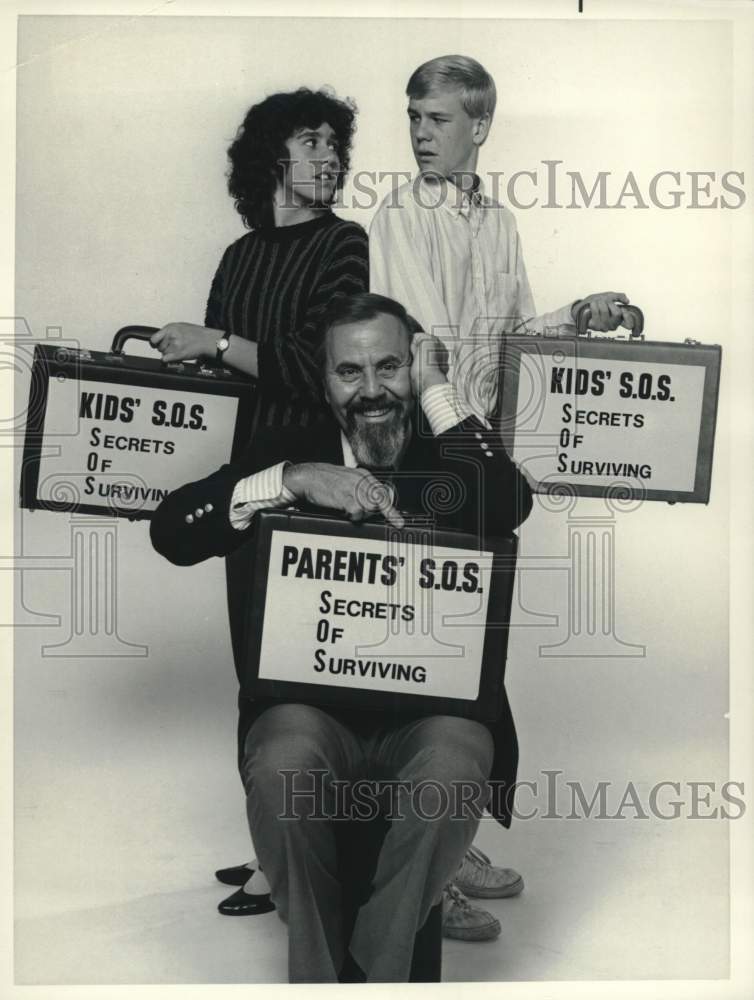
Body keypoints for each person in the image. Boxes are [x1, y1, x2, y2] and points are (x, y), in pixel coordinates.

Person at [150, 292, 532, 982]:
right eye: (349, 372)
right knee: (281, 766)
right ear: (324, 382)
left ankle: (369, 974)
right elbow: (173, 531)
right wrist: (293, 481)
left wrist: (438, 389)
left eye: (390, 367)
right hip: (311, 714)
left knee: (453, 767)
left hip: (431, 717)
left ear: (415, 368)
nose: (371, 390)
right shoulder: (289, 450)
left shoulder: (449, 453)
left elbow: (509, 501)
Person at [369, 54, 637, 420]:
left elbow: (518, 340)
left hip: (487, 433)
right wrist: (479, 439)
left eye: (438, 119)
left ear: (480, 128)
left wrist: (579, 315)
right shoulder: (401, 214)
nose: (420, 133)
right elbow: (426, 356)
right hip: (438, 434)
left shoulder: (501, 223)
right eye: (415, 117)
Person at [150, 87, 369, 440]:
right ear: (271, 157)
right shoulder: (238, 255)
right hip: (228, 453)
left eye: (334, 145)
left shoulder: (345, 242)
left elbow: (321, 366)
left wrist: (216, 342)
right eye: (311, 142)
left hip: (306, 456)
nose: (331, 158)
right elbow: (216, 376)